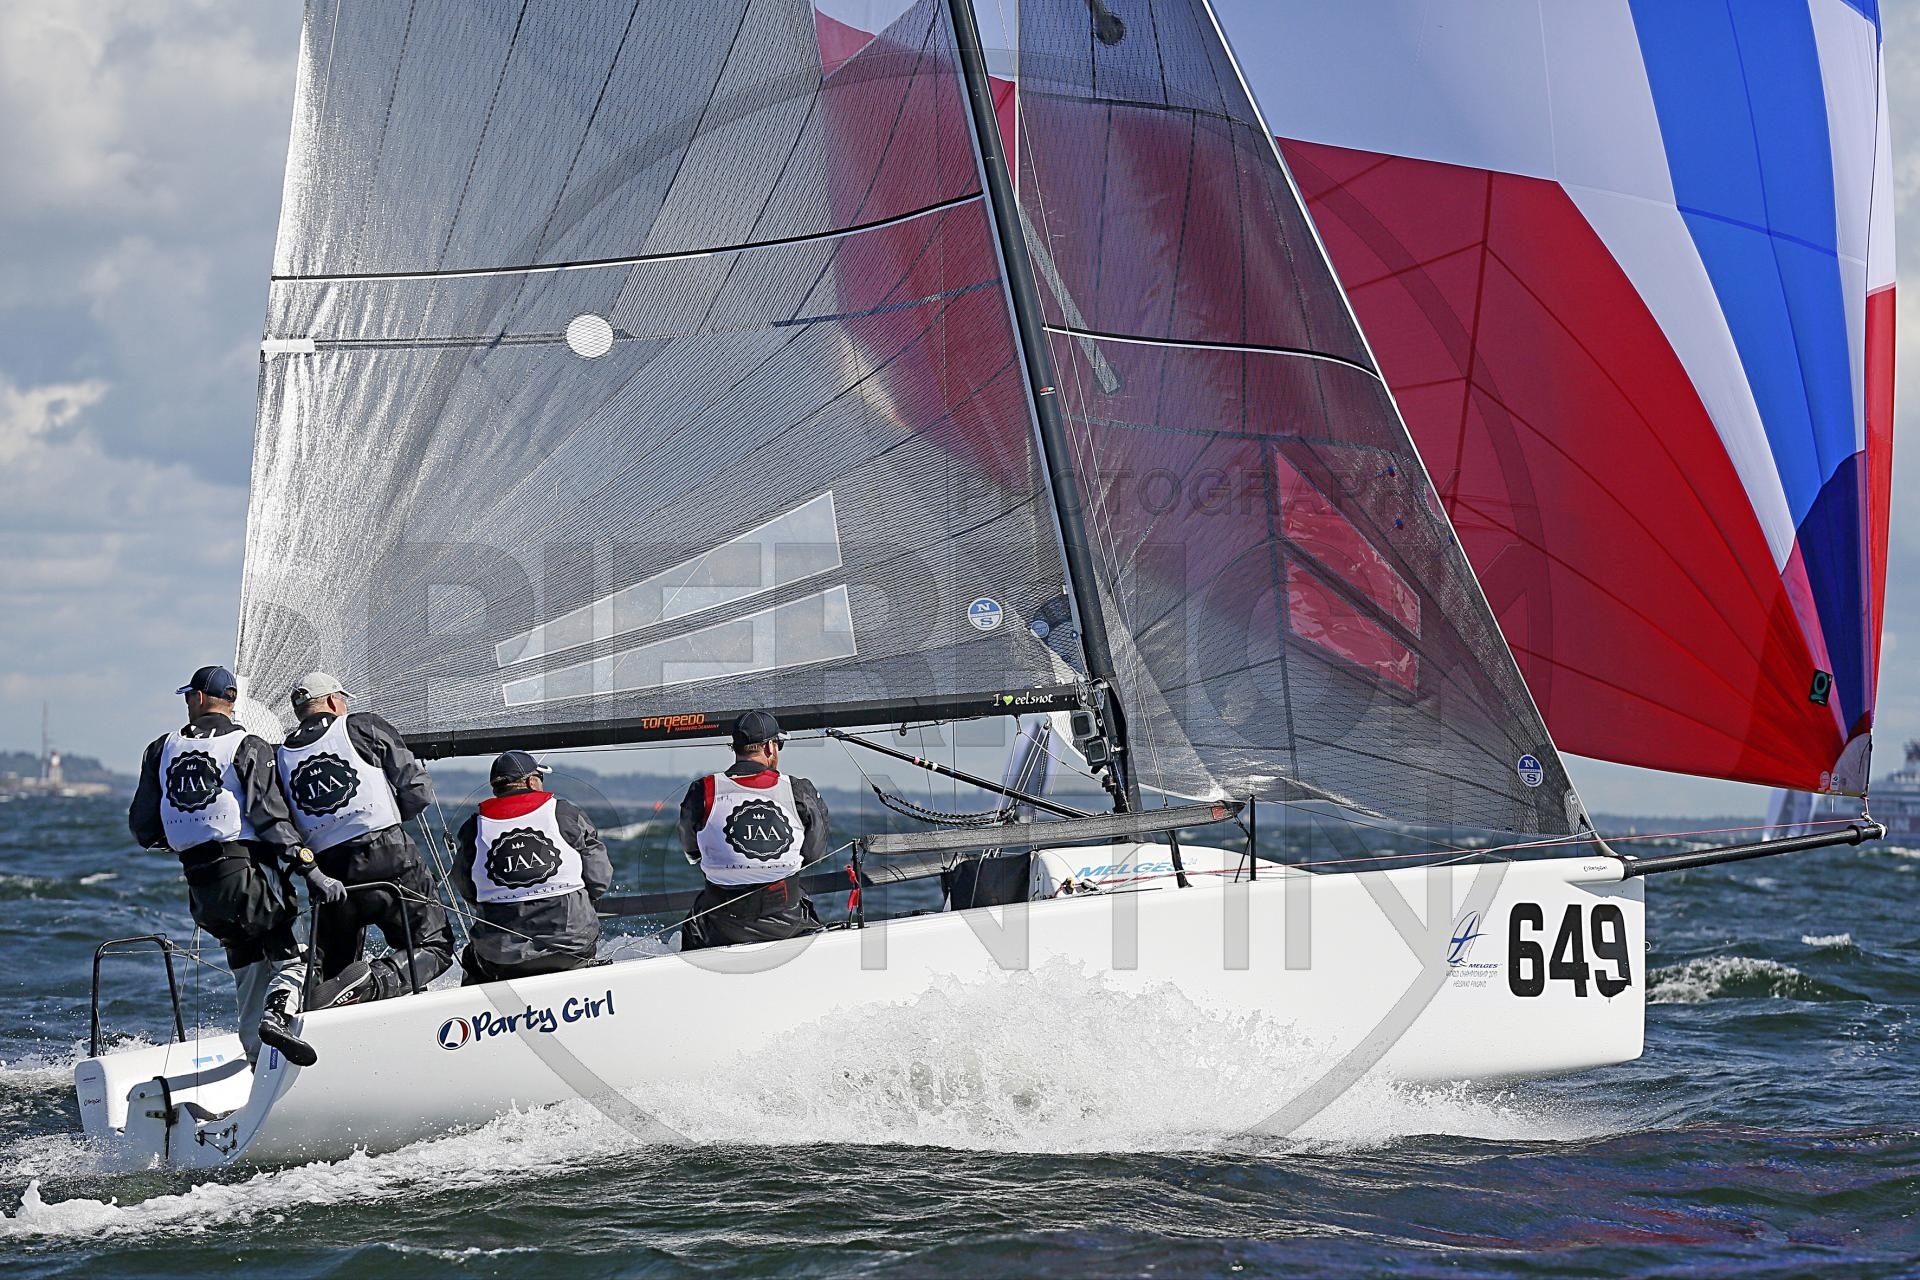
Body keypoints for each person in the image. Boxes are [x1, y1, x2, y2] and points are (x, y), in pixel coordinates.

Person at [128, 665, 341, 1067]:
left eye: (189, 696)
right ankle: (277, 1017)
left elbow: (143, 828)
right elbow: (270, 818)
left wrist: (188, 838)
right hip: (249, 877)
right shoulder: (249, 745)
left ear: (199, 698)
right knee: (296, 961)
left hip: (202, 889)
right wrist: (311, 870)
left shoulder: (160, 748)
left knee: (248, 969)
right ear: (230, 701)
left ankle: (257, 1062)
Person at [275, 671, 454, 1005]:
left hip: (327, 872)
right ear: (333, 701)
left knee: (335, 970)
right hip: (388, 854)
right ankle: (373, 983)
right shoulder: (362, 726)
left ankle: (326, 1008)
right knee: (434, 946)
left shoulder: (280, 755)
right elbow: (418, 790)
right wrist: (387, 817)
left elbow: (280, 821)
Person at [451, 751, 612, 983]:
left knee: (472, 957)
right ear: (532, 781)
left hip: (502, 959)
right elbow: (599, 878)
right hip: (571, 949)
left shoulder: (473, 828)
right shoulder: (565, 813)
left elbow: (467, 887)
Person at [677, 711, 826, 950]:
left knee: (696, 920)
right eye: (779, 744)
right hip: (788, 925)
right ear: (769, 747)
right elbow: (814, 854)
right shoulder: (799, 790)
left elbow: (692, 852)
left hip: (717, 928)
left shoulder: (702, 790)